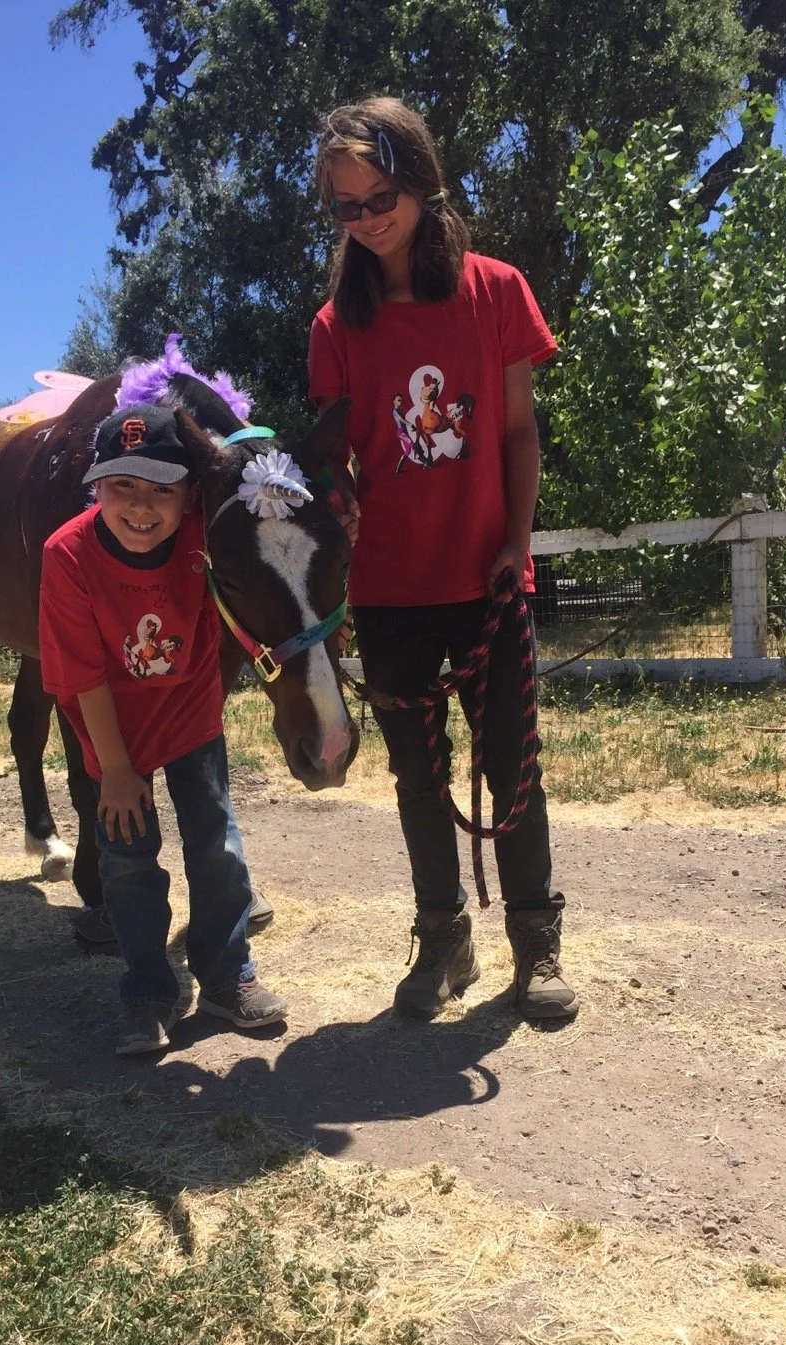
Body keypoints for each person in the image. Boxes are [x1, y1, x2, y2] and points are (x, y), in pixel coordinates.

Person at [308, 96, 578, 1023]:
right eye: (346, 207)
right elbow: (339, 460)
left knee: (514, 769)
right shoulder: (334, 327)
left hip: (486, 582)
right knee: (416, 778)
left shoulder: (495, 291)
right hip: (387, 592)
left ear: (421, 184)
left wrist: (514, 542)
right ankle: (443, 940)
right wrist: (329, 503)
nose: (367, 218)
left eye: (380, 195)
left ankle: (536, 949)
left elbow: (513, 432)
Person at [39, 404, 288, 1055]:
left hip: (190, 714)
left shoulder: (209, 536)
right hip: (111, 727)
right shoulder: (66, 555)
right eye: (123, 485)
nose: (141, 506)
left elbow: (274, 499)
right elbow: (84, 673)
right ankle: (149, 991)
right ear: (96, 486)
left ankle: (228, 975)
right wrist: (116, 773)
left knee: (217, 846)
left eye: (161, 489)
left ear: (190, 495)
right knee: (127, 860)